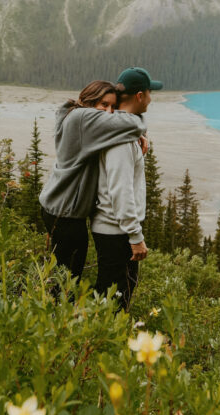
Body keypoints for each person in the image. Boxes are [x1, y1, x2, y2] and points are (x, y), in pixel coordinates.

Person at [39, 80, 147, 281]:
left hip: (60, 208)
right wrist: (139, 130)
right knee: (68, 278)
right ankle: (56, 310)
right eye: (103, 104)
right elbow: (133, 123)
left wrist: (139, 135)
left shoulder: (82, 121)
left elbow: (121, 128)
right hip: (65, 214)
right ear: (87, 102)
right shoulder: (81, 118)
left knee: (65, 271)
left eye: (113, 107)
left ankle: (55, 306)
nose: (109, 112)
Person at [91, 67, 163, 310]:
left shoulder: (124, 132)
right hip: (115, 232)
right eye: (150, 93)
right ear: (140, 96)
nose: (152, 99)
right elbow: (120, 190)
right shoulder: (121, 139)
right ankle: (95, 344)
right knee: (113, 300)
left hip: (115, 229)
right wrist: (135, 236)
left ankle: (96, 342)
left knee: (117, 294)